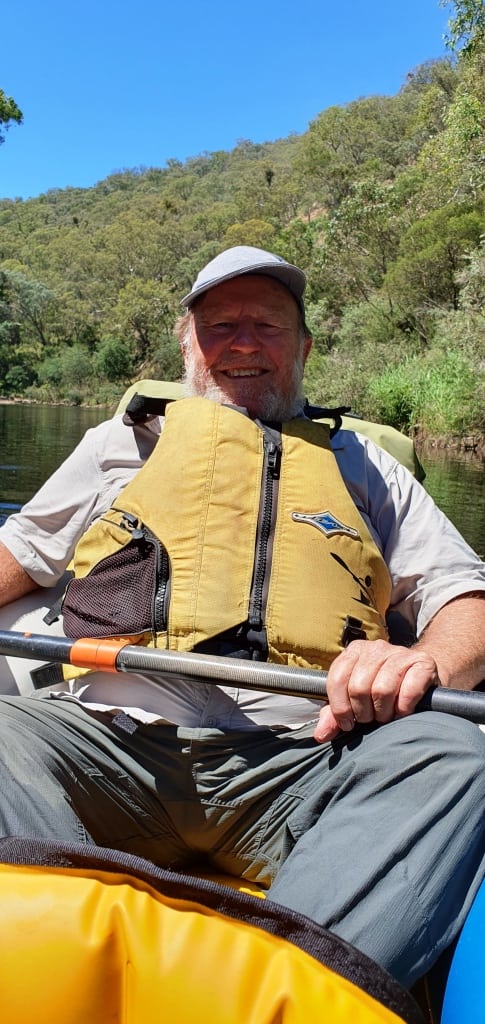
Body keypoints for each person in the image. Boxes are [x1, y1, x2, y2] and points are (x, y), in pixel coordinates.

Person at [0, 245, 484, 989]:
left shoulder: (364, 466)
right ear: (187, 344)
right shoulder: (117, 446)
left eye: (267, 325)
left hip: (307, 763)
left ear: (304, 347)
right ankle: (59, 971)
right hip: (105, 749)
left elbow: (465, 601)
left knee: (454, 755)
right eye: (220, 325)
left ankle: (285, 991)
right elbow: (19, 560)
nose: (243, 343)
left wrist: (425, 661)